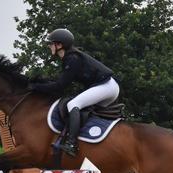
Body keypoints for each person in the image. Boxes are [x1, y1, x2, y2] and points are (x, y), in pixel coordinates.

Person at [29, 28, 119, 157]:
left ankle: (71, 144)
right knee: (84, 110)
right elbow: (60, 81)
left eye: (51, 43)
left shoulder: (72, 58)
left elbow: (60, 86)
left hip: (106, 86)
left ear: (59, 45)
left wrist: (36, 88)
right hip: (107, 86)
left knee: (73, 104)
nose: (49, 46)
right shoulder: (70, 58)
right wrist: (41, 83)